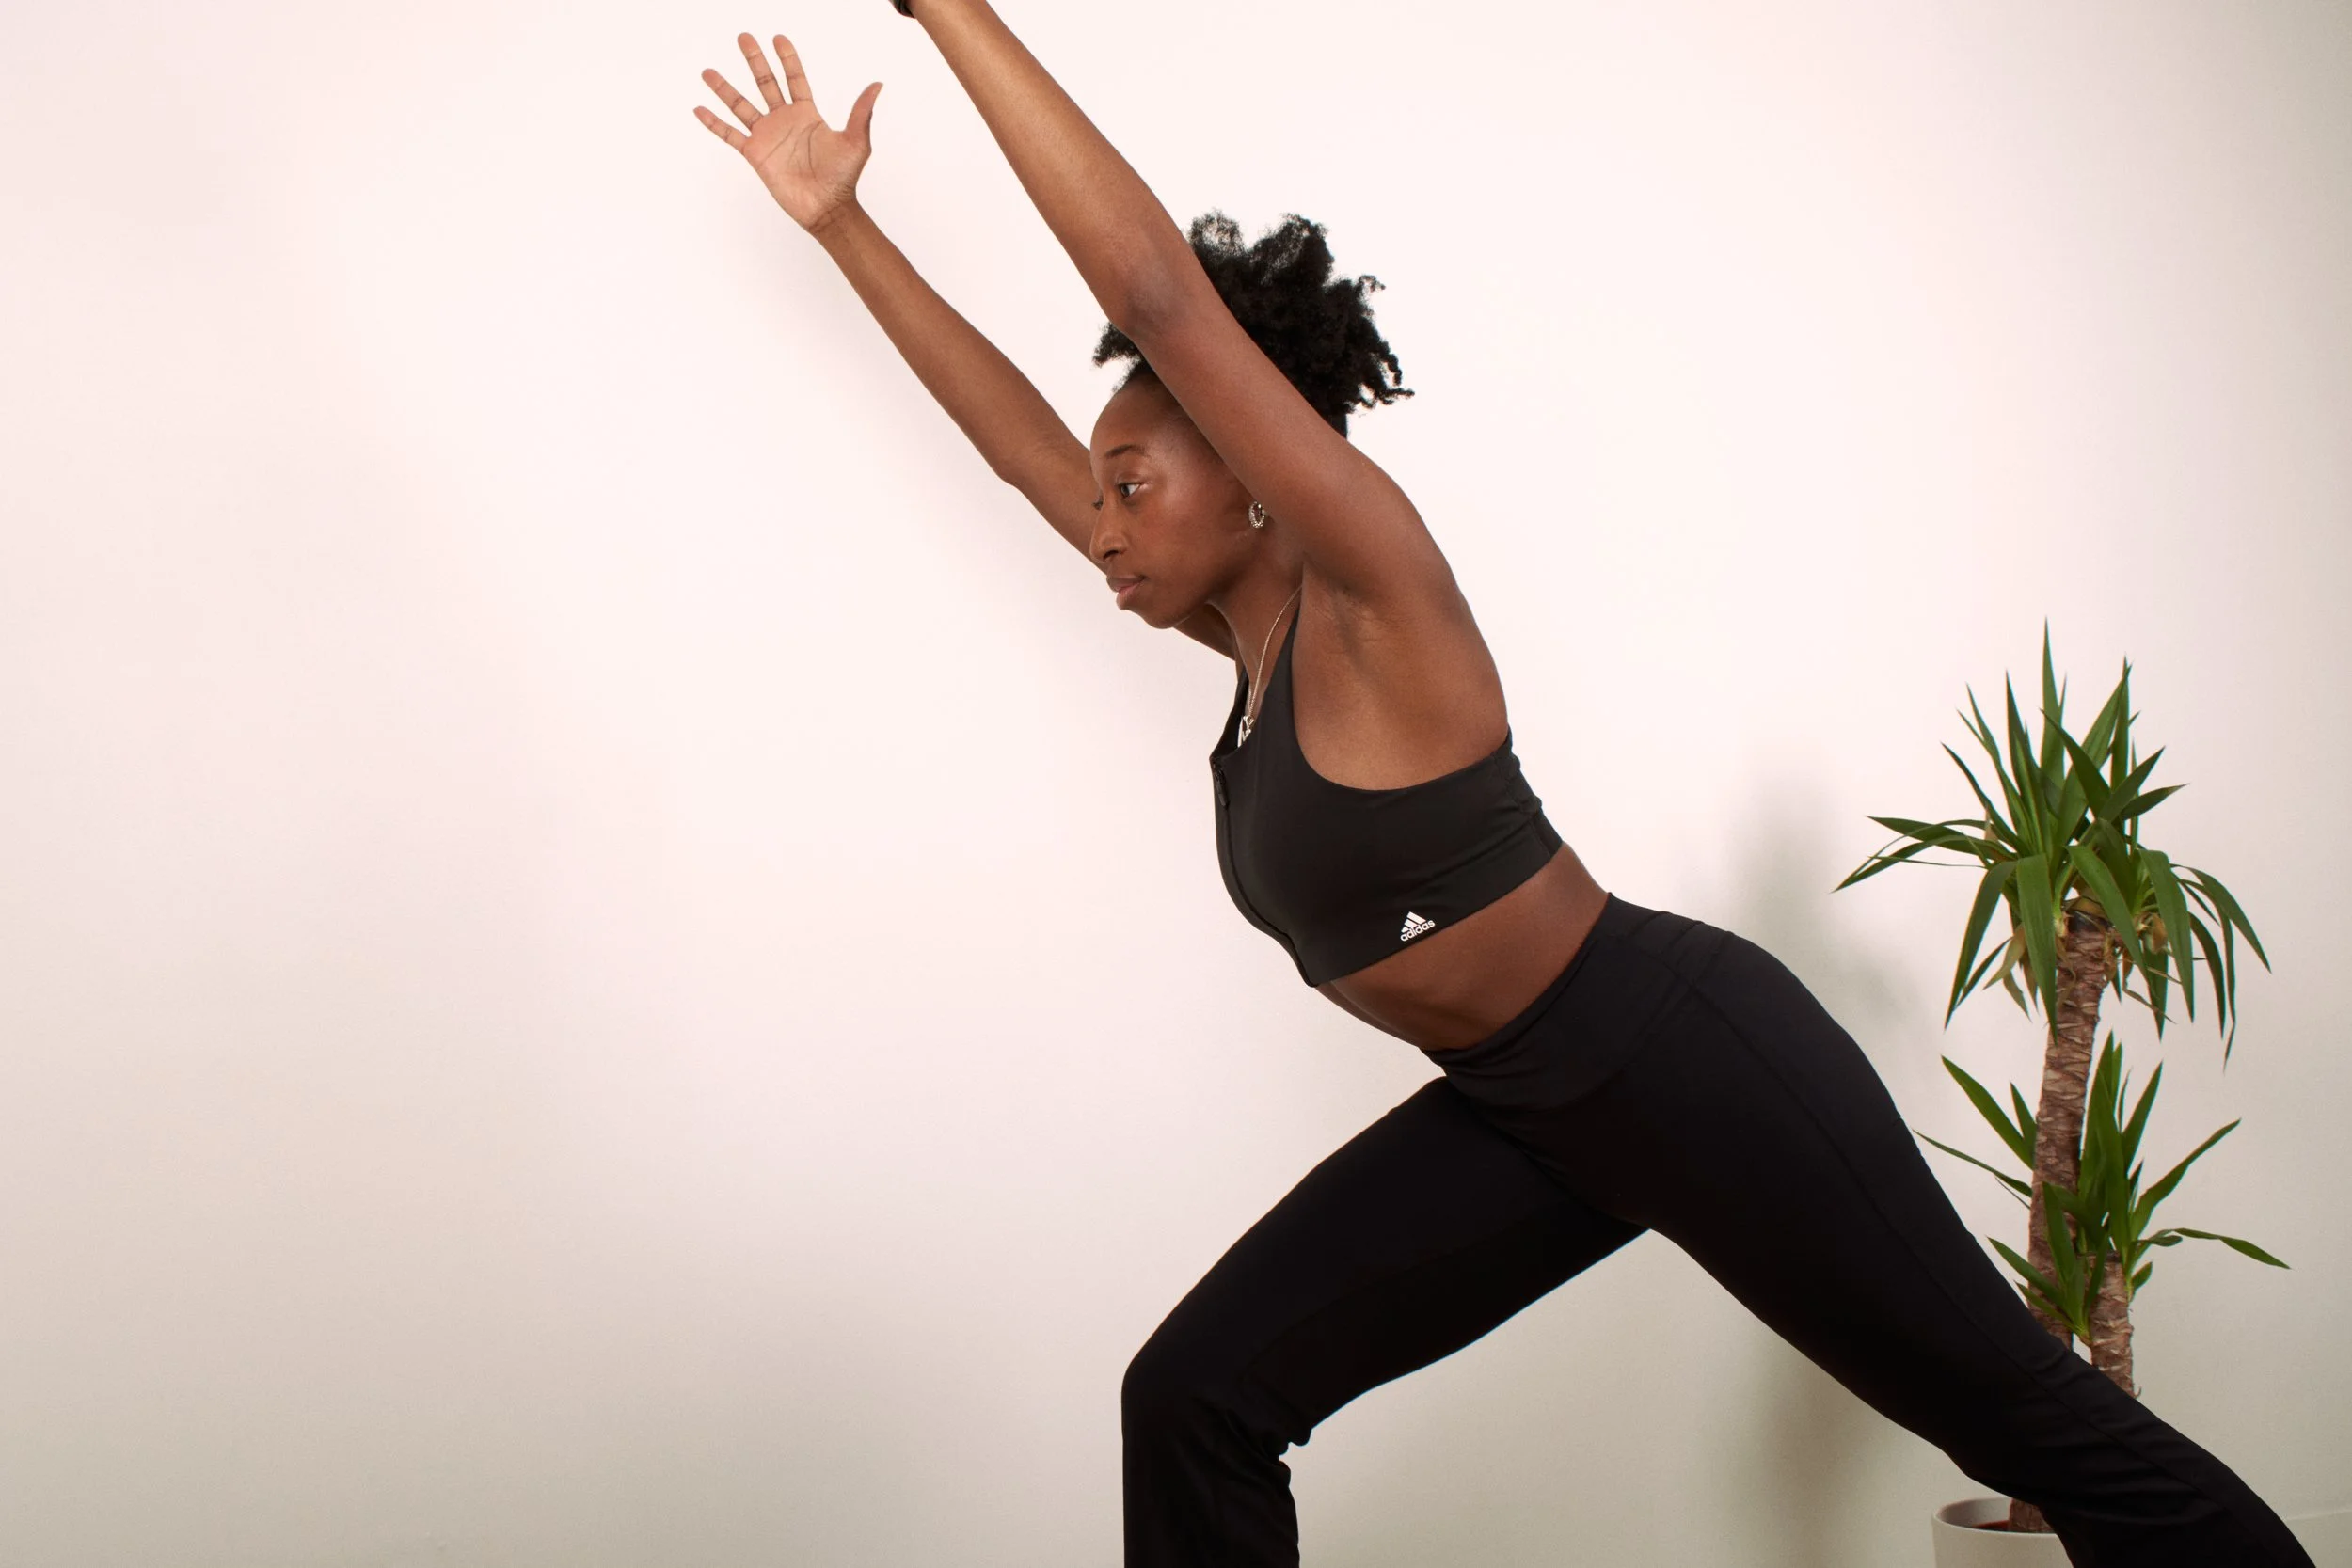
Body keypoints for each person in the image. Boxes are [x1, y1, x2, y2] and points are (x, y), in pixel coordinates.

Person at [691, 8, 2314, 1564]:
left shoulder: (1375, 588)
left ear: (1254, 481)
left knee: (2031, 1422)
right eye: (1102, 492)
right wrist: (846, 232)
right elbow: (1022, 452)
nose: (1099, 518)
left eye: (1135, 484)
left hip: (1682, 1057)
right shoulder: (1242, 637)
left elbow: (1166, 301)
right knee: (1196, 1393)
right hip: (1528, 1109)